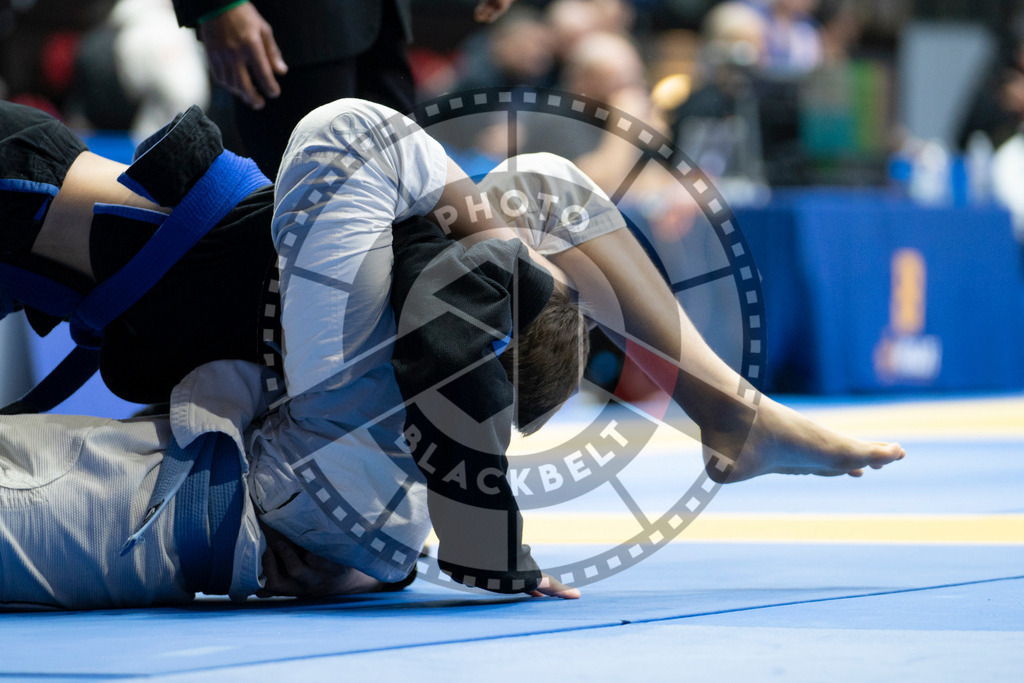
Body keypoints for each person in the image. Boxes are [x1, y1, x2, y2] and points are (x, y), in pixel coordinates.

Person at [0, 98, 904, 609]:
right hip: (46, 209)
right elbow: (543, 193)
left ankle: (730, 415)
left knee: (526, 196)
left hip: (73, 232)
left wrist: (481, 232)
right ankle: (731, 416)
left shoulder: (353, 345)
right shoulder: (353, 368)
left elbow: (519, 193)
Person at [171, 0, 518, 177]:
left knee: (392, 209)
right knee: (287, 233)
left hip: (381, 24)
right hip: (283, 32)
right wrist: (216, 4)